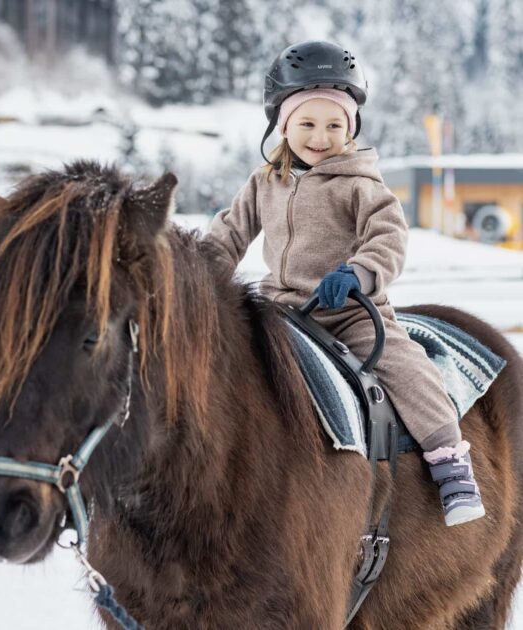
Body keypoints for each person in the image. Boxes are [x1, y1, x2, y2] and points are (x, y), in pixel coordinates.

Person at [202, 40, 485, 527]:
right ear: (282, 125)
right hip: (278, 308)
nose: (320, 135)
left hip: (349, 310)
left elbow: (389, 236)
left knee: (406, 369)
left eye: (335, 125)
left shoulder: (361, 183)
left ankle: (449, 461)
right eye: (307, 123)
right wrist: (198, 271)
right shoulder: (264, 182)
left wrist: (359, 272)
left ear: (350, 130)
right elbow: (228, 233)